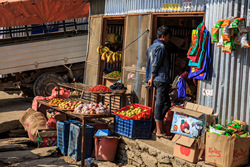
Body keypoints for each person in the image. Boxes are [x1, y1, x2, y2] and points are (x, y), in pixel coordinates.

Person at [145, 25, 171, 137]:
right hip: (160, 78)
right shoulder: (161, 47)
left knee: (166, 103)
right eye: (168, 37)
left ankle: (157, 127)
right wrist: (152, 77)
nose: (168, 39)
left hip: (156, 79)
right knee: (160, 104)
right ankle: (159, 131)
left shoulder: (151, 47)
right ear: (163, 36)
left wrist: (150, 78)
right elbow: (155, 64)